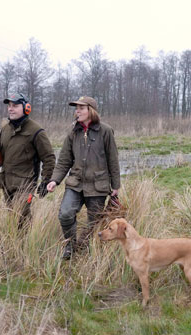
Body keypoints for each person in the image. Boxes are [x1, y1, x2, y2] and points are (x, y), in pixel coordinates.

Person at [47, 96, 121, 260]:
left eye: (81, 108)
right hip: (75, 183)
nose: (77, 111)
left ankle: (85, 249)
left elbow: (113, 159)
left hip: (98, 186)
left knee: (94, 222)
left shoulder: (106, 131)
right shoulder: (73, 132)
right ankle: (70, 245)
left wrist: (115, 186)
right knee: (65, 214)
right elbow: (64, 160)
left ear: (91, 111)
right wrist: (54, 180)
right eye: (76, 108)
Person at [0, 93, 56, 229]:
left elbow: (49, 158)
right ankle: (14, 245)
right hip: (6, 183)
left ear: (26, 108)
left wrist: (45, 180)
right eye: (9, 106)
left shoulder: (36, 131)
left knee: (22, 218)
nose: (10, 109)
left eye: (15, 106)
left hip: (25, 184)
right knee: (11, 217)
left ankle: (27, 246)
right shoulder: (6, 129)